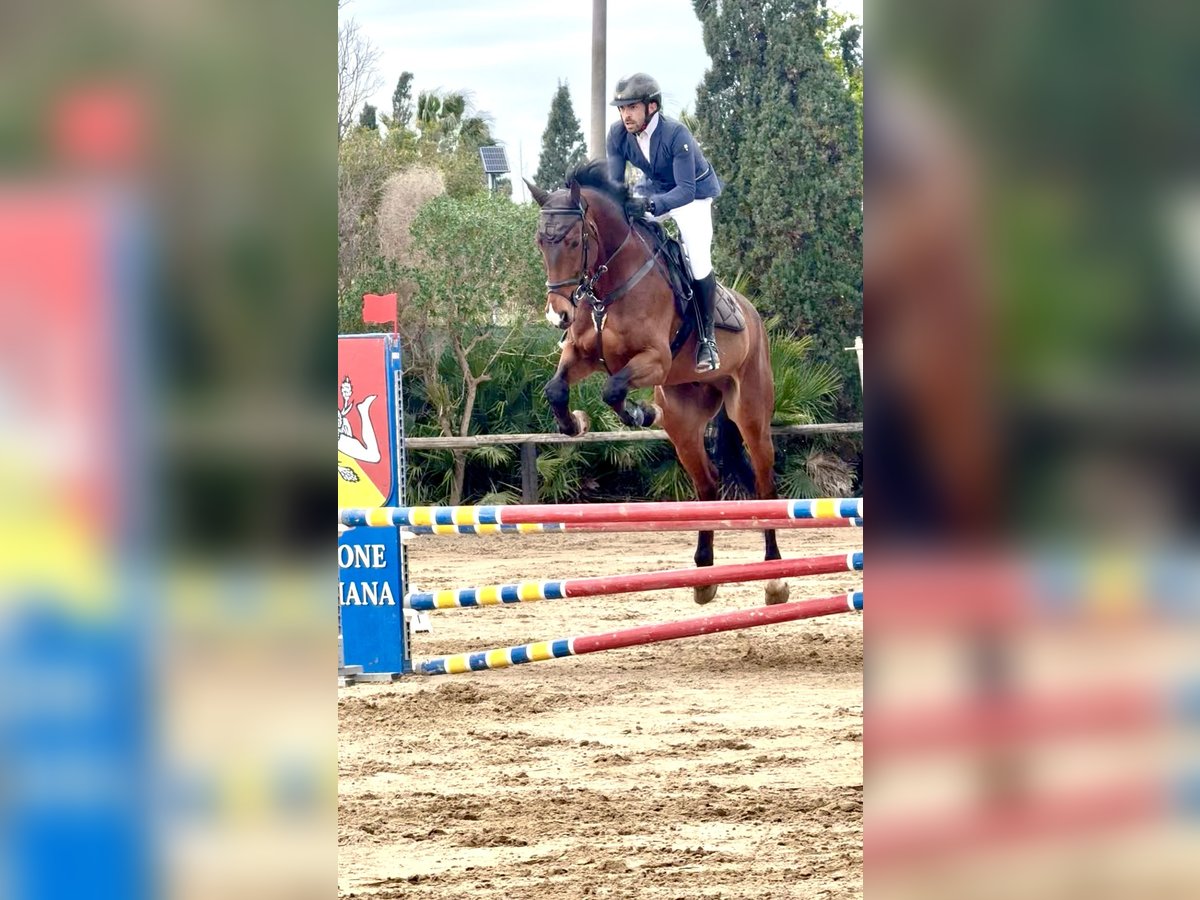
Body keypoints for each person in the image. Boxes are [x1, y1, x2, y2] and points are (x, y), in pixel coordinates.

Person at [607, 72, 724, 373]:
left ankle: (707, 341)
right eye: (622, 109)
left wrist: (648, 205)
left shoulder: (676, 134)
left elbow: (685, 191)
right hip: (656, 188)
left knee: (698, 260)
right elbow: (614, 185)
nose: (625, 115)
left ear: (652, 107)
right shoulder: (618, 134)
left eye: (632, 107)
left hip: (694, 195)